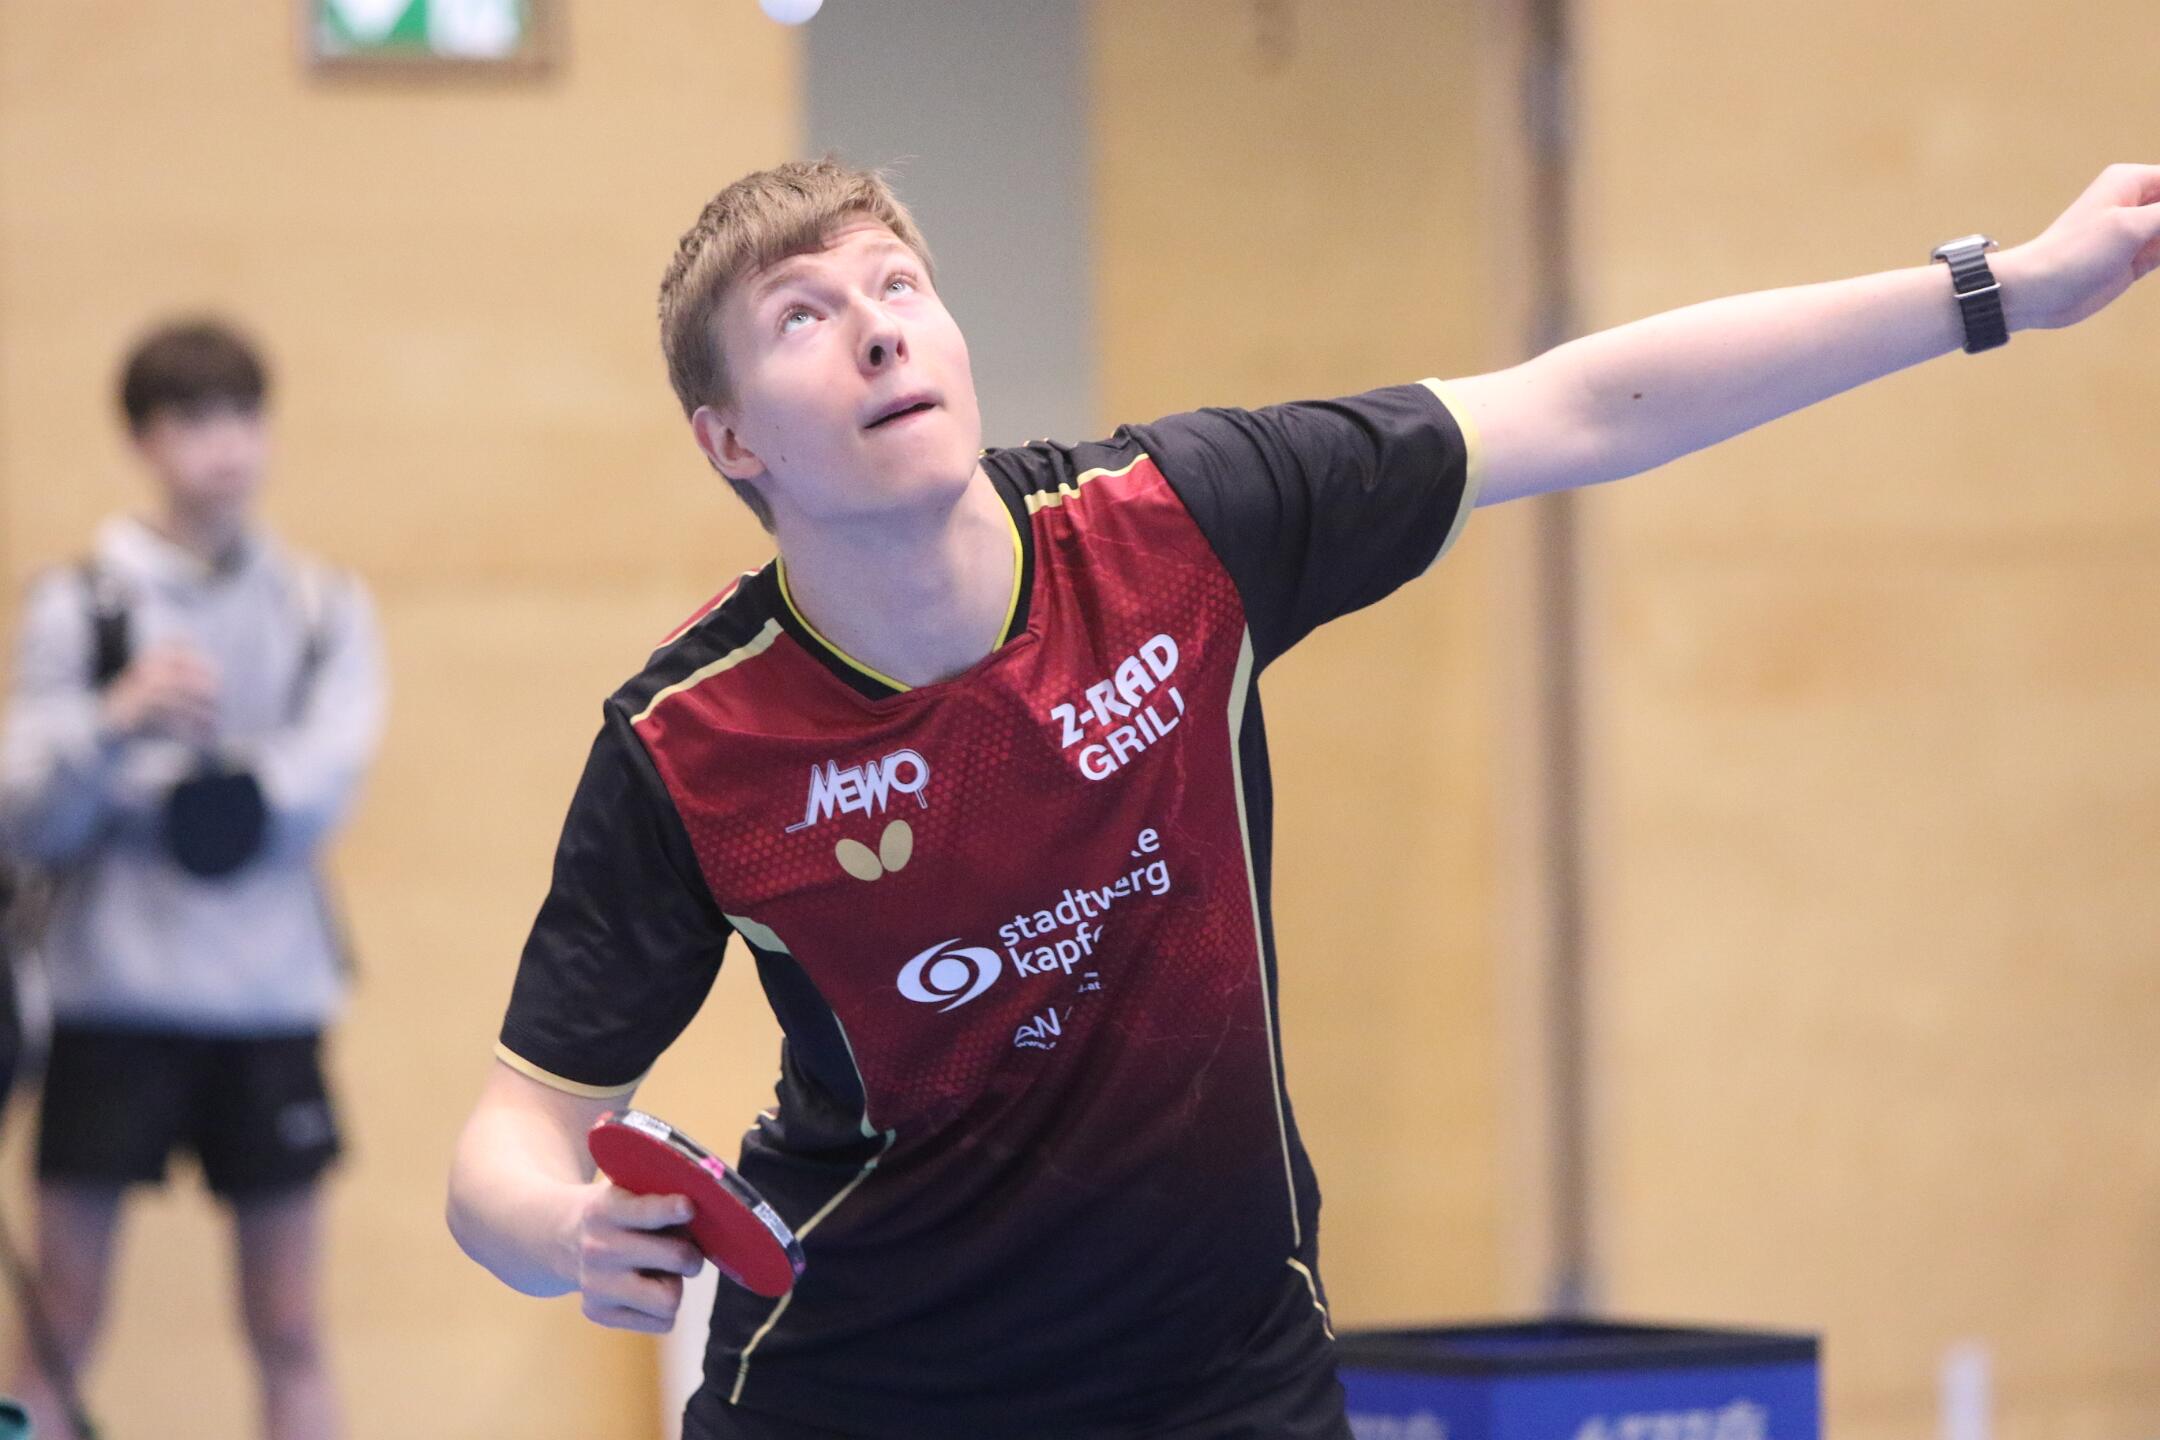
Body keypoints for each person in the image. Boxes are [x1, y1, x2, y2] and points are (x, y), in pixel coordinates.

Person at [447, 158, 2160, 1438]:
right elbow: (504, 1144)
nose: (877, 325)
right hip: (866, 1391)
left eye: (897, 282)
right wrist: (567, 1230)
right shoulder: (694, 743)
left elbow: (1575, 404)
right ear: (730, 440)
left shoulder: (1177, 527)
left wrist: (2002, 289)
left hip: (1223, 1380)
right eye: (803, 318)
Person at [0, 319, 385, 1440]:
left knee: (291, 1323)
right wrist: (114, 724)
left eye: (242, 416)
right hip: (109, 1003)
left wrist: (203, 791)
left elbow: (327, 777)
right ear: (142, 439)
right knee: (58, 1321)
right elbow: (23, 804)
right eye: (191, 420)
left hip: (267, 1005)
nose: (224, 446)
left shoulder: (321, 605)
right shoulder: (82, 604)